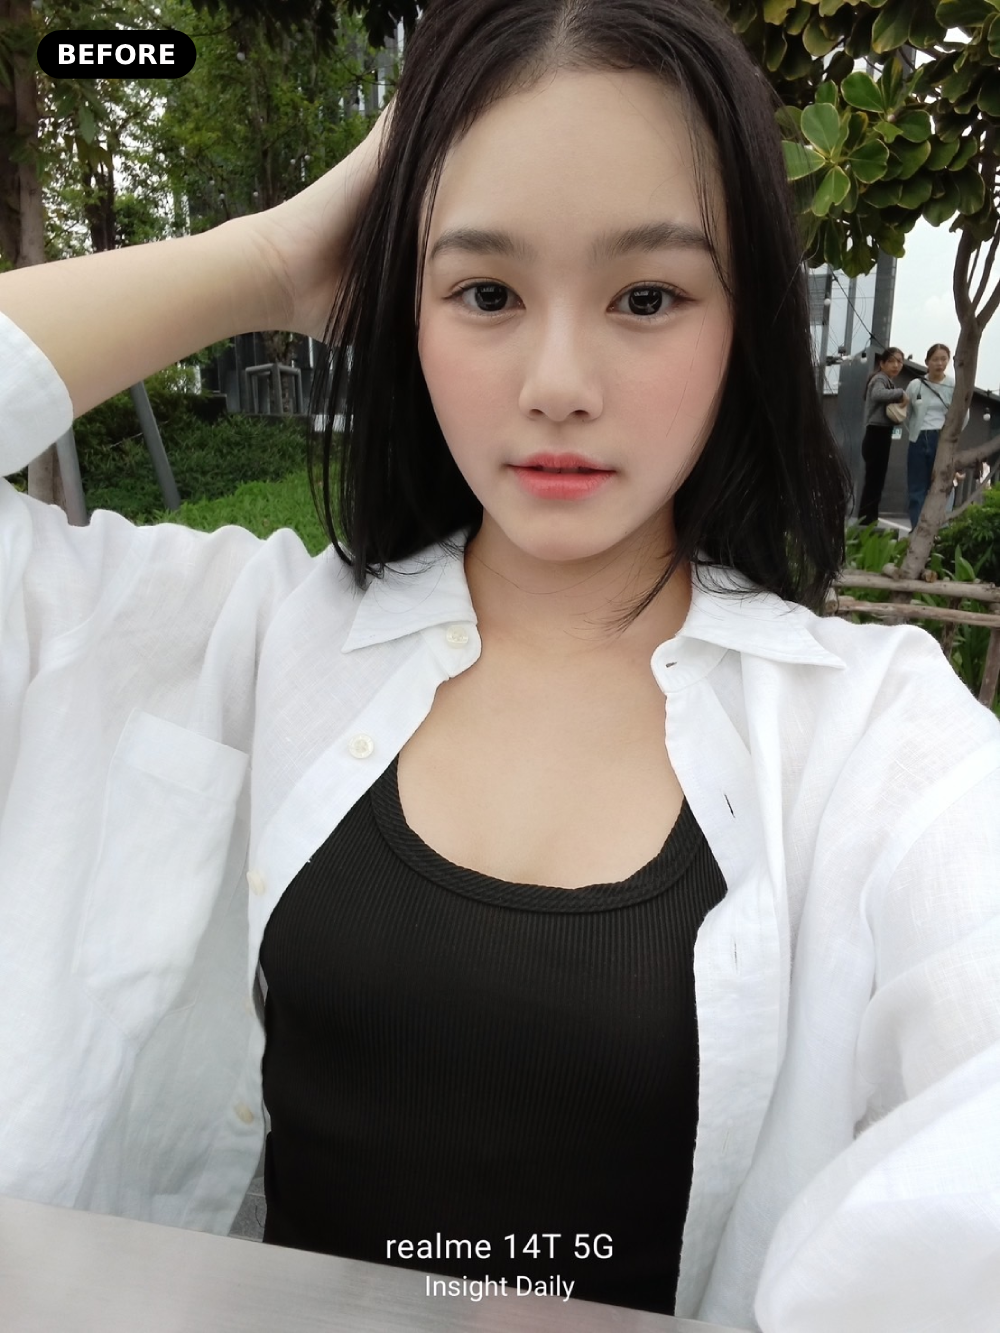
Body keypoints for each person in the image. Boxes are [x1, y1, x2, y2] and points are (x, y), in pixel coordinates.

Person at [0, 2, 998, 1331]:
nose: (558, 382)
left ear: (743, 315)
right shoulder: (239, 636)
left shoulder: (880, 744)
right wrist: (268, 261)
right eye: (486, 293)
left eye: (647, 296)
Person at [904, 343, 962, 530]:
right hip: (919, 439)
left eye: (943, 359)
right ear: (927, 362)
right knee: (917, 488)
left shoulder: (953, 385)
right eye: (935, 359)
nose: (939, 363)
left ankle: (940, 531)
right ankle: (917, 530)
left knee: (941, 486)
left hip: (942, 439)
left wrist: (951, 434)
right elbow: (907, 412)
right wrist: (915, 431)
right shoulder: (916, 385)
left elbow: (964, 414)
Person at [856, 346, 906, 528]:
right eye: (891, 361)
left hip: (880, 434)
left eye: (899, 361)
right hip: (876, 434)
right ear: (882, 363)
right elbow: (878, 394)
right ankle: (866, 523)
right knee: (873, 483)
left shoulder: (886, 380)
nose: (896, 365)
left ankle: (869, 521)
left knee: (875, 482)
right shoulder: (880, 378)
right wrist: (901, 393)